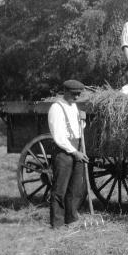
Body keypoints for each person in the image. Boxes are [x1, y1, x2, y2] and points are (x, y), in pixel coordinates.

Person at [48, 79, 89, 229]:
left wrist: (82, 121)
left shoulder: (74, 106)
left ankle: (71, 219)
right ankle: (57, 223)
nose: (77, 97)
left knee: (76, 187)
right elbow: (58, 136)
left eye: (79, 94)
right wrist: (74, 152)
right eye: (74, 94)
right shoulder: (56, 108)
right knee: (60, 188)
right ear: (65, 92)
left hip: (77, 147)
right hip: (63, 151)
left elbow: (77, 130)